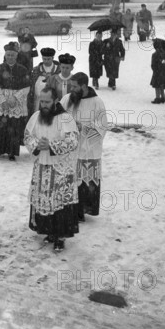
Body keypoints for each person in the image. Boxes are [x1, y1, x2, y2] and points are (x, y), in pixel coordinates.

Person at [25, 87, 79, 252]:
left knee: (60, 204)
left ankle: (60, 236)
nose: (44, 105)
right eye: (42, 101)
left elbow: (73, 140)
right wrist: (37, 145)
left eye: (47, 101)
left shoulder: (65, 119)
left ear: (56, 100)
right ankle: (49, 231)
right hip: (42, 166)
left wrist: (51, 145)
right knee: (44, 201)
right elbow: (28, 136)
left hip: (61, 169)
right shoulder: (36, 116)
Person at [60, 73, 107, 222]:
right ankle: (69, 209)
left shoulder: (97, 102)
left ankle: (83, 210)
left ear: (84, 86)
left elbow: (102, 126)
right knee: (69, 179)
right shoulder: (67, 99)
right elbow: (58, 118)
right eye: (70, 86)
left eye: (75, 86)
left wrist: (83, 127)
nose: (71, 89)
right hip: (69, 148)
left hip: (88, 149)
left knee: (85, 182)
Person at [0, 43, 31, 161]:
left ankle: (12, 151)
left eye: (12, 55)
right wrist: (2, 100)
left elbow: (26, 88)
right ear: (5, 56)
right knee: (0, 126)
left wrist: (14, 98)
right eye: (8, 55)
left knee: (13, 127)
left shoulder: (22, 69)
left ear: (16, 56)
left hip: (16, 101)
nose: (10, 57)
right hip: (0, 102)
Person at [28, 47, 60, 113]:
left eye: (48, 59)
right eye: (44, 59)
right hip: (38, 101)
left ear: (53, 58)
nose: (46, 61)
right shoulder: (36, 70)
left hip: (53, 101)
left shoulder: (58, 70)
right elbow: (32, 86)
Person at [150, 40, 165, 104]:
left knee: (157, 85)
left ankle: (157, 98)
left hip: (157, 72)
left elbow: (153, 65)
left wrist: (155, 70)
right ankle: (163, 97)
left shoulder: (154, 54)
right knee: (162, 84)